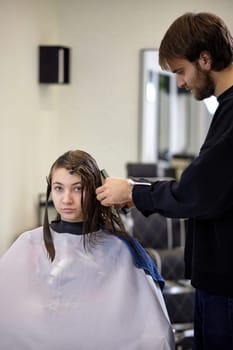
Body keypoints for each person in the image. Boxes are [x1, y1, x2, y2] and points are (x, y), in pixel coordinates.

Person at [96, 12, 233, 350]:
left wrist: (133, 190)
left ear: (205, 58)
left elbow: (196, 193)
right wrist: (137, 192)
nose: (182, 83)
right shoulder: (225, 111)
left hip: (227, 288)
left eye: (181, 72)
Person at [0, 149, 174, 350]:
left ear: (95, 190)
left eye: (78, 188)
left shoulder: (121, 249)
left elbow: (153, 333)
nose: (66, 199)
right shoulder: (28, 242)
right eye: (58, 188)